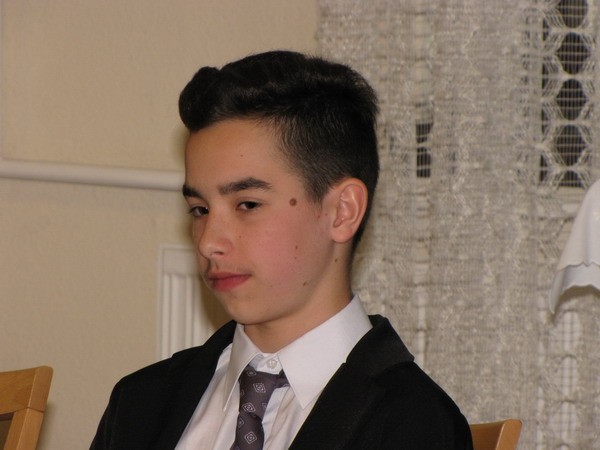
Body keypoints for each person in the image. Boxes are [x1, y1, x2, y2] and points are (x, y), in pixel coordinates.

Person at [91, 50, 473, 450]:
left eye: (247, 205)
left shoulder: (412, 424)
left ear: (342, 211)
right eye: (200, 209)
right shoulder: (140, 402)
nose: (208, 242)